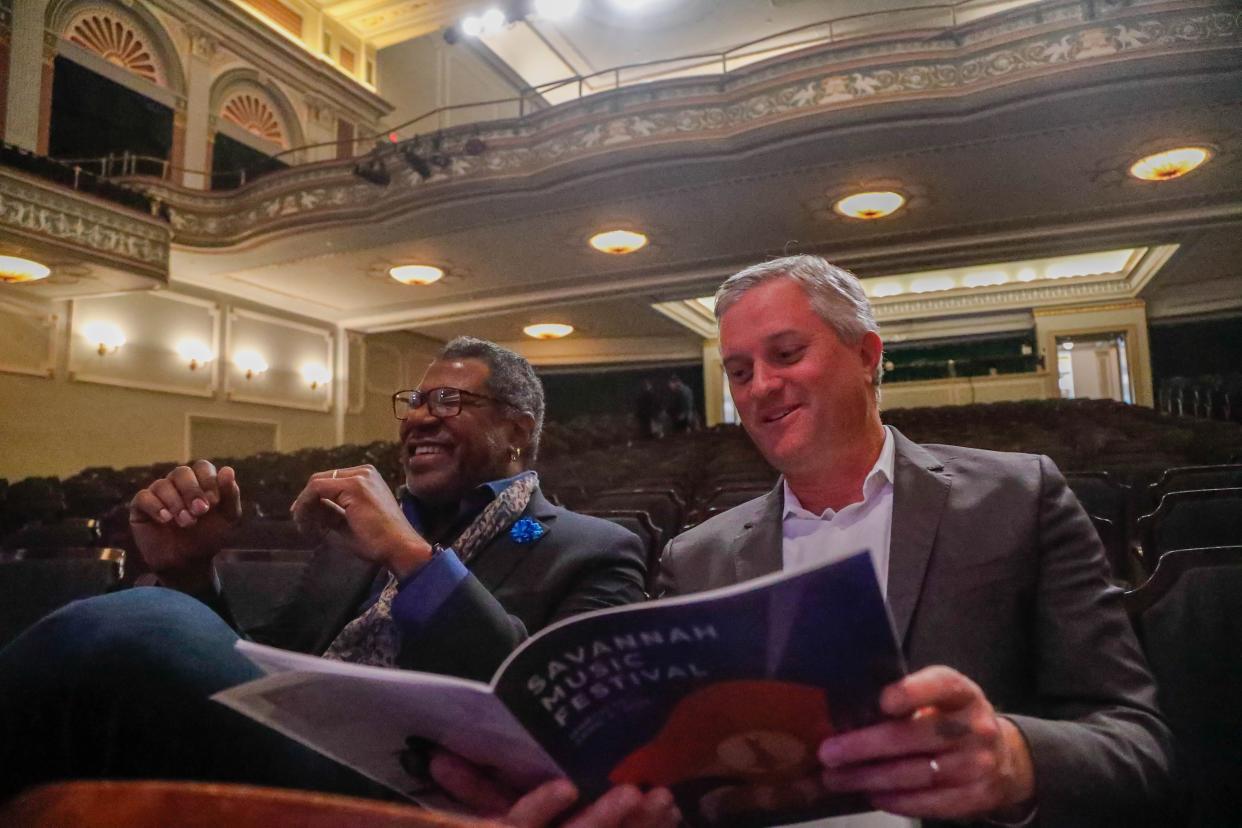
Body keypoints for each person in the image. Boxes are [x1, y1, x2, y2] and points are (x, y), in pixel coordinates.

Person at [0, 337, 676, 826]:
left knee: (131, 627)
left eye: (448, 400)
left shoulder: (592, 548)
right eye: (412, 402)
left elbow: (564, 721)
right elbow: (261, 672)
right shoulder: (352, 541)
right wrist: (189, 571)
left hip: (413, 794)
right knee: (138, 630)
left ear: (517, 432)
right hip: (284, 753)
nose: (417, 417)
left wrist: (412, 558)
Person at [654, 255, 1174, 826]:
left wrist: (1012, 760)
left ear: (866, 355)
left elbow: (1138, 747)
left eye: (786, 354)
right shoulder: (695, 558)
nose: (760, 387)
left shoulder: (1019, 499)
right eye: (739, 371)